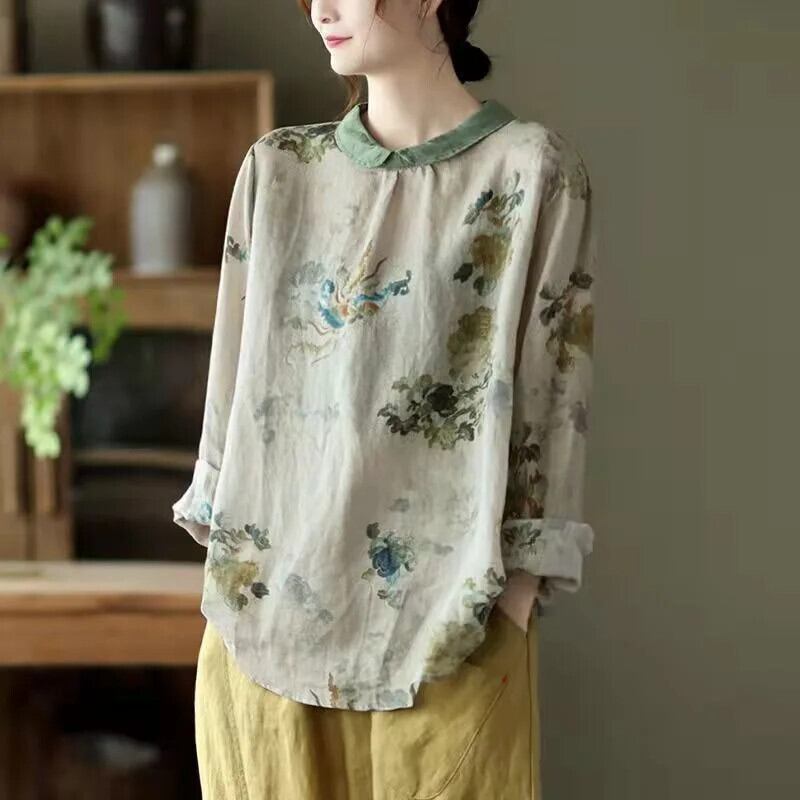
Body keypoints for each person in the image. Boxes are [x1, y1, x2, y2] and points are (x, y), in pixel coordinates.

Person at [172, 0, 597, 797]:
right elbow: (230, 397)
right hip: (261, 640)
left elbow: (552, 402)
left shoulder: (530, 171)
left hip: (450, 642)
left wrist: (514, 601)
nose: (321, 9)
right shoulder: (279, 170)